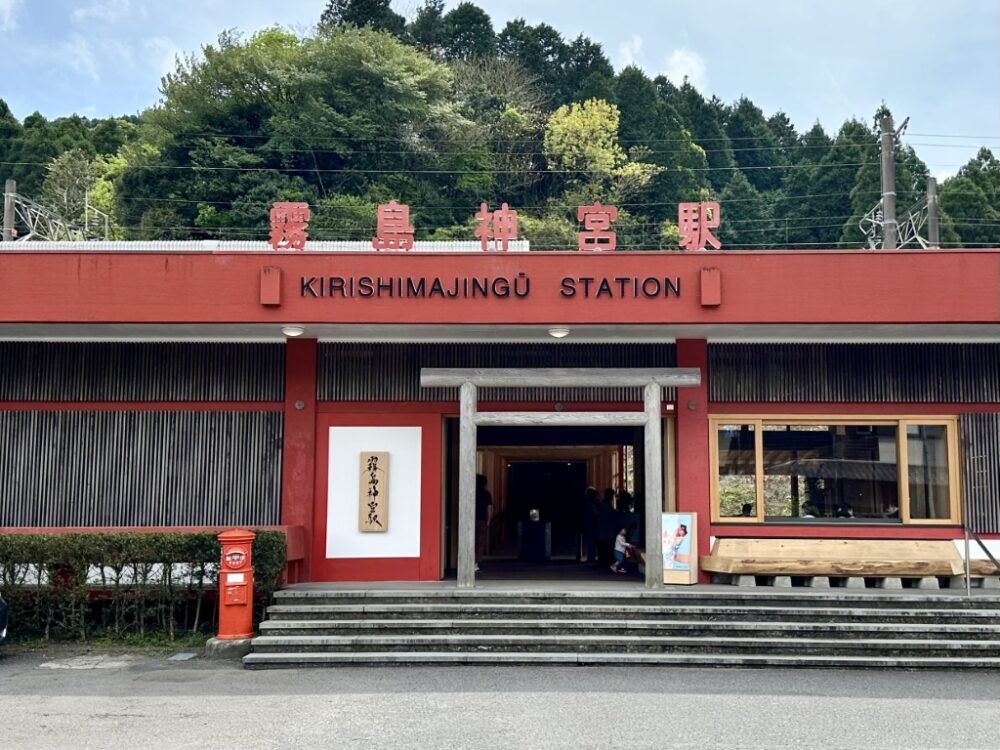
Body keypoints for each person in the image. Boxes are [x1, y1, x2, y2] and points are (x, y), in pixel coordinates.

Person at [475, 474, 492, 572]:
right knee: (480, 542)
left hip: (471, 520)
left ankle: (469, 562)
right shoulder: (486, 494)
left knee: (471, 541)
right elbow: (489, 508)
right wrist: (489, 520)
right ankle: (476, 563)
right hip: (482, 520)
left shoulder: (472, 492)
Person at [582, 486, 599, 563]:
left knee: (591, 542)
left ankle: (591, 556)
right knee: (591, 541)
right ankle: (591, 557)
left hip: (590, 524)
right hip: (591, 524)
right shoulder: (590, 505)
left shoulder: (589, 504)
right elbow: (594, 515)